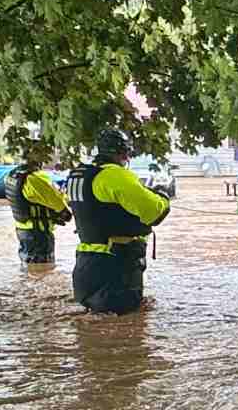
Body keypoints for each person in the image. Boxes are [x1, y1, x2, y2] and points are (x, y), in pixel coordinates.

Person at [64, 128, 170, 314]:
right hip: (115, 268)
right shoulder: (115, 176)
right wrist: (163, 198)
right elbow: (153, 212)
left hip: (85, 267)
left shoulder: (79, 175)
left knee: (94, 332)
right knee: (127, 334)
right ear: (124, 153)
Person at [7, 140, 70, 266]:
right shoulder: (36, 179)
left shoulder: (13, 175)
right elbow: (62, 209)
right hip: (38, 234)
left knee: (29, 270)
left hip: (23, 231)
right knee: (42, 271)